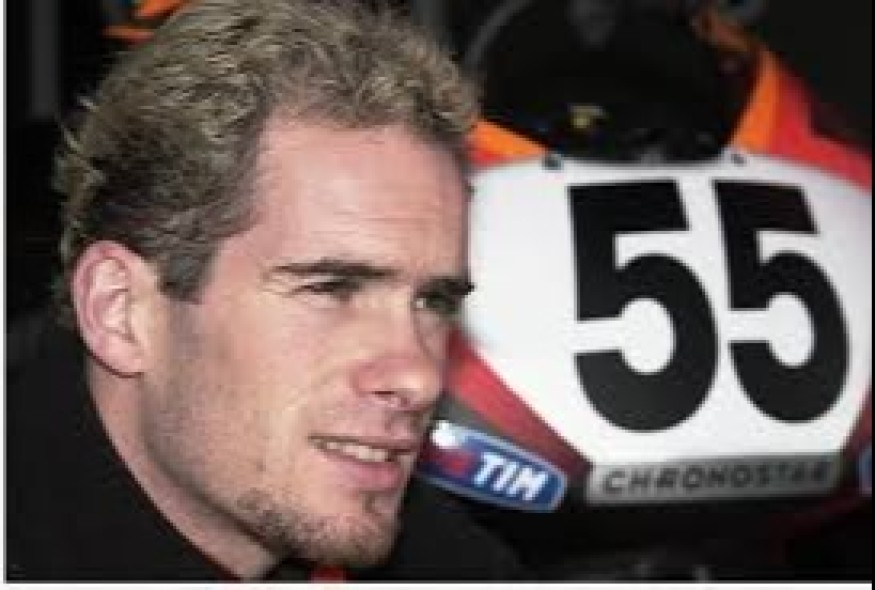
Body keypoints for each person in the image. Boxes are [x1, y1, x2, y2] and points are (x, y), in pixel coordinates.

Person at [6, 0, 525, 581]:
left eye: (434, 302)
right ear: (120, 311)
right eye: (331, 289)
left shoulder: (450, 565)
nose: (419, 379)